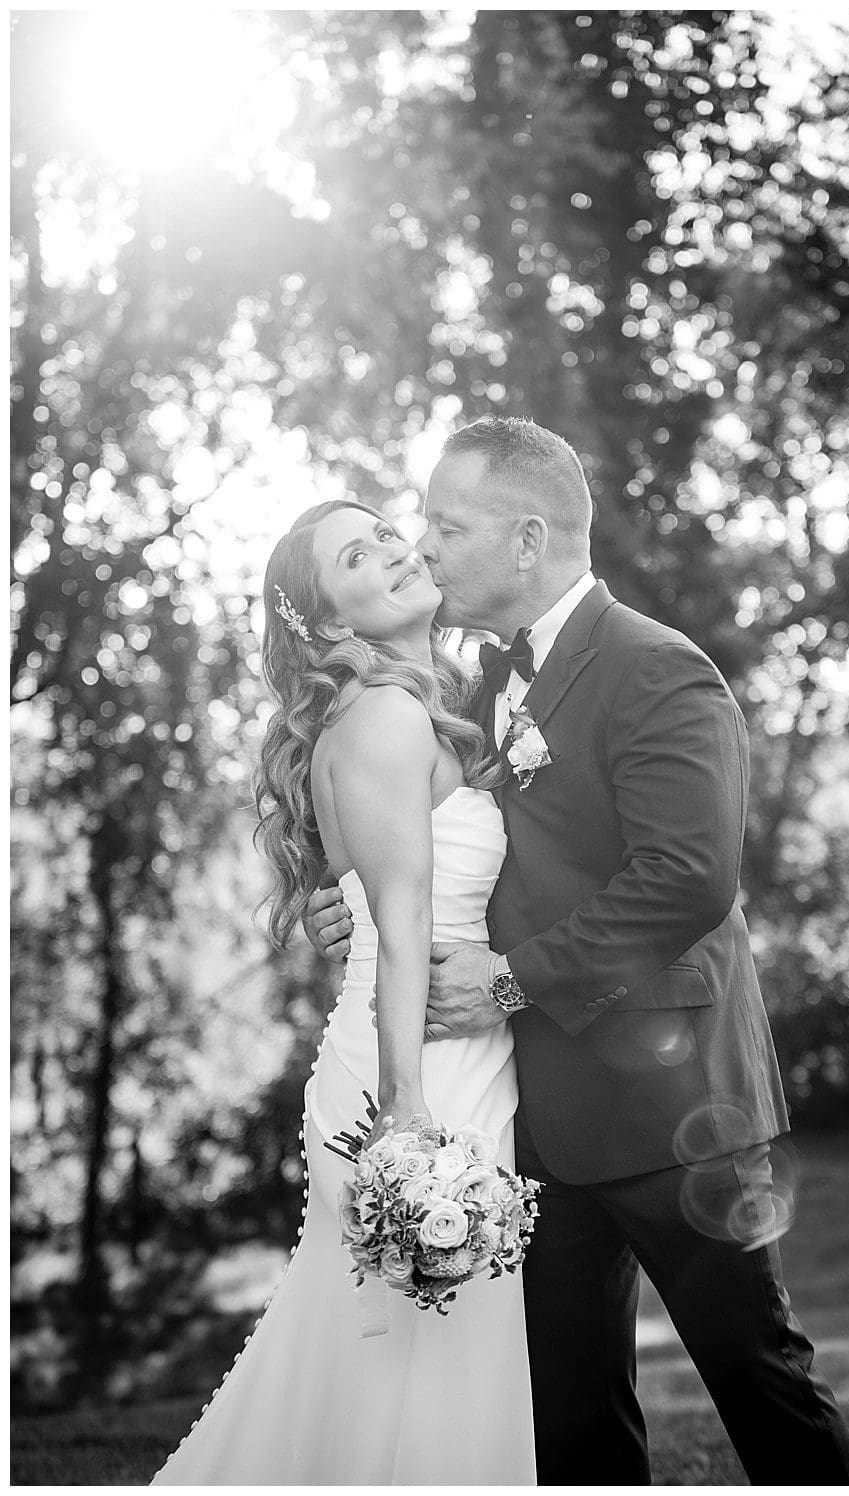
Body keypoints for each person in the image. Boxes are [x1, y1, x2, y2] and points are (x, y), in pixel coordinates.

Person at [304, 416, 849, 1484]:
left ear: (525, 540)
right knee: (571, 1420)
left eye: (444, 524)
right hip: (535, 1120)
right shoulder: (463, 690)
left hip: (677, 1110)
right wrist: (353, 911)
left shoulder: (656, 667)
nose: (422, 546)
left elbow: (689, 876)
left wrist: (512, 977)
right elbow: (425, 846)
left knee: (761, 1383)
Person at [156, 500, 533, 1483]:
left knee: (402, 1365)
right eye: (356, 557)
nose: (396, 551)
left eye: (386, 532)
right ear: (330, 625)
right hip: (411, 1068)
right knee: (433, 1361)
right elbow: (401, 927)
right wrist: (405, 1112)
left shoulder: (427, 703)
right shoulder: (385, 717)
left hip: (444, 1044)